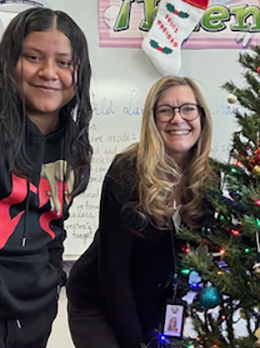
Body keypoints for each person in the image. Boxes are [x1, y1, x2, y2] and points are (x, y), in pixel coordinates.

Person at [66, 76, 217, 348]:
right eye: (165, 110)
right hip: (101, 302)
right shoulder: (126, 172)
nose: (177, 118)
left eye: (187, 108)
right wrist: (134, 343)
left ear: (202, 117)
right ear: (152, 120)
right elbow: (114, 270)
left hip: (158, 304)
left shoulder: (211, 180)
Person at [0, 7, 92, 348]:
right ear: (10, 61)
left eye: (64, 62)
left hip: (34, 318)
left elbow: (55, 226)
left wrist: (51, 287)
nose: (49, 72)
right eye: (33, 57)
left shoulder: (73, 145)